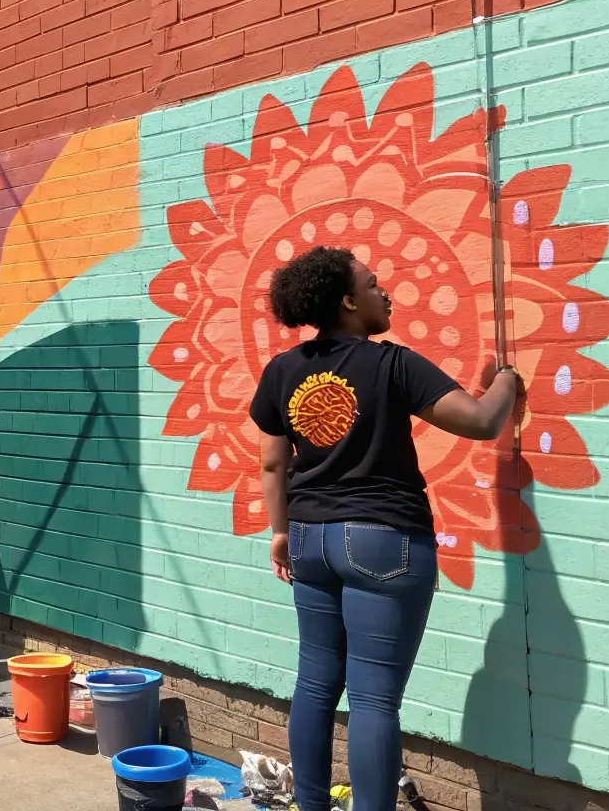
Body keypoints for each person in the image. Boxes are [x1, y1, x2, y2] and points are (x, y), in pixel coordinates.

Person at [250, 246, 522, 811]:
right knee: (373, 701)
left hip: (308, 539)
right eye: (374, 285)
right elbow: (479, 421)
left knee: (315, 685)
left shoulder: (281, 371)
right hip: (384, 541)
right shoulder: (391, 363)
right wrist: (506, 382)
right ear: (349, 301)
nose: (386, 292)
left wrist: (280, 533)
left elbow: (274, 464)